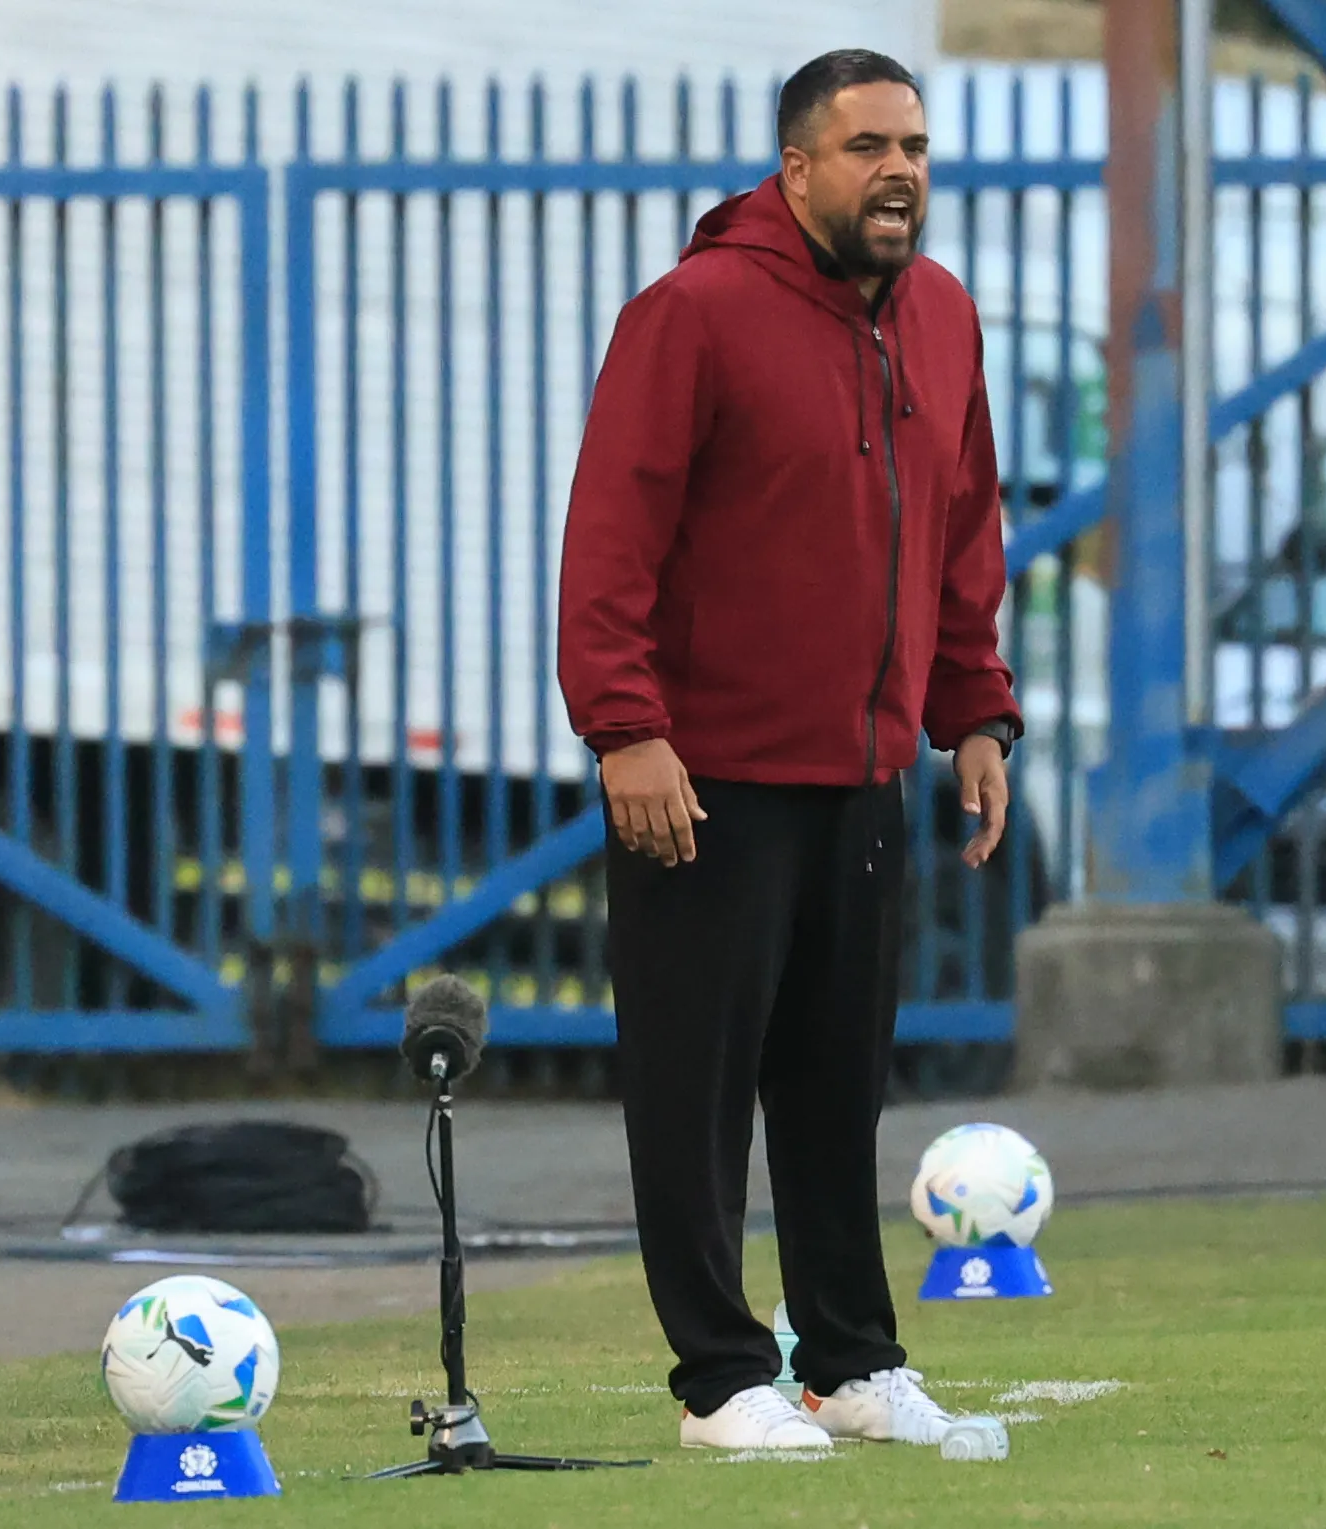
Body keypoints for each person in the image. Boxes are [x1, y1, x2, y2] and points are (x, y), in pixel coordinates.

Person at [557, 49, 1021, 1452]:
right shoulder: (693, 312)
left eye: (917, 147)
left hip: (864, 778)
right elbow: (611, 536)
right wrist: (627, 729)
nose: (900, 170)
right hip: (707, 779)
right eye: (868, 144)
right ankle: (719, 1378)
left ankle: (849, 1360)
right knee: (696, 1096)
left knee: (835, 1091)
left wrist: (975, 710)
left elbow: (962, 531)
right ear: (797, 167)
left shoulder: (941, 318)